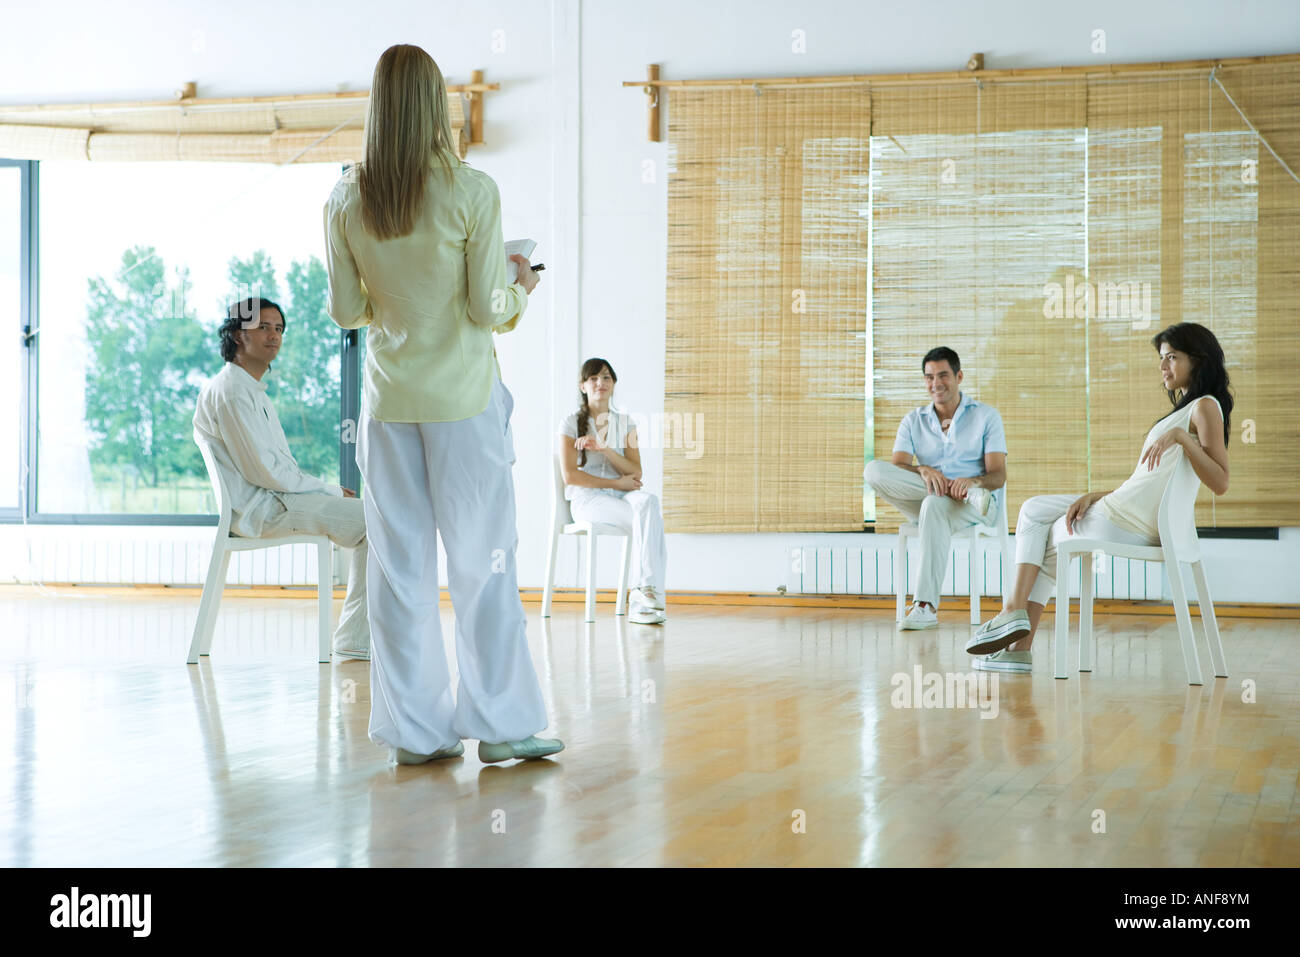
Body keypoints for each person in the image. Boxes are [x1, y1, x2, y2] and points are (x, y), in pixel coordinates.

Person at [323, 43, 561, 766]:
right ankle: (499, 725)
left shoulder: (344, 198)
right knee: (483, 562)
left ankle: (415, 733)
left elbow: (344, 311)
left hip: (389, 409)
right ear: (435, 105)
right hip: (463, 405)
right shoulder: (471, 191)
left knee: (399, 571)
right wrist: (522, 283)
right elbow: (488, 309)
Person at [966, 322, 1232, 674]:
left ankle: (1011, 616)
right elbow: (1147, 483)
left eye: (1172, 357)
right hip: (1123, 509)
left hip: (1126, 521)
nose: (1163, 366)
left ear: (1198, 360)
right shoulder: (1191, 409)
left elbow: (1221, 481)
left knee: (1033, 514)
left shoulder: (1203, 408)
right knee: (1041, 527)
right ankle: (1017, 646)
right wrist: (1094, 495)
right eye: (1161, 358)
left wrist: (1182, 438)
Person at [193, 297, 370, 660]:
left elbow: (273, 468)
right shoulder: (230, 392)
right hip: (264, 510)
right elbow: (266, 472)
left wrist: (330, 492)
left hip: (276, 501)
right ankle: (355, 638)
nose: (273, 336)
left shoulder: (248, 389)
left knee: (382, 521)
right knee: (380, 523)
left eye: (279, 329)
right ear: (238, 335)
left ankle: (360, 635)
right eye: (263, 327)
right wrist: (332, 490)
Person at [863, 347, 1008, 630]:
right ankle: (955, 492)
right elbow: (896, 470)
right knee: (874, 470)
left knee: (935, 504)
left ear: (959, 376)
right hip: (926, 496)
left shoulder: (986, 417)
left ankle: (925, 606)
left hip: (971, 506)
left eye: (943, 375)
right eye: (929, 377)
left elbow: (998, 475)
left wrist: (974, 483)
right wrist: (922, 469)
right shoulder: (913, 420)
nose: (936, 383)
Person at [558, 358, 668, 625]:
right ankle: (646, 596)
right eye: (593, 378)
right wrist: (616, 483)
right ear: (583, 386)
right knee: (649, 522)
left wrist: (604, 448)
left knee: (649, 504)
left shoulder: (625, 424)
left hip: (619, 496)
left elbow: (636, 471)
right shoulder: (570, 423)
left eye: (606, 378)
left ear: (614, 384)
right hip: (587, 500)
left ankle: (644, 592)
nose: (600, 383)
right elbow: (570, 476)